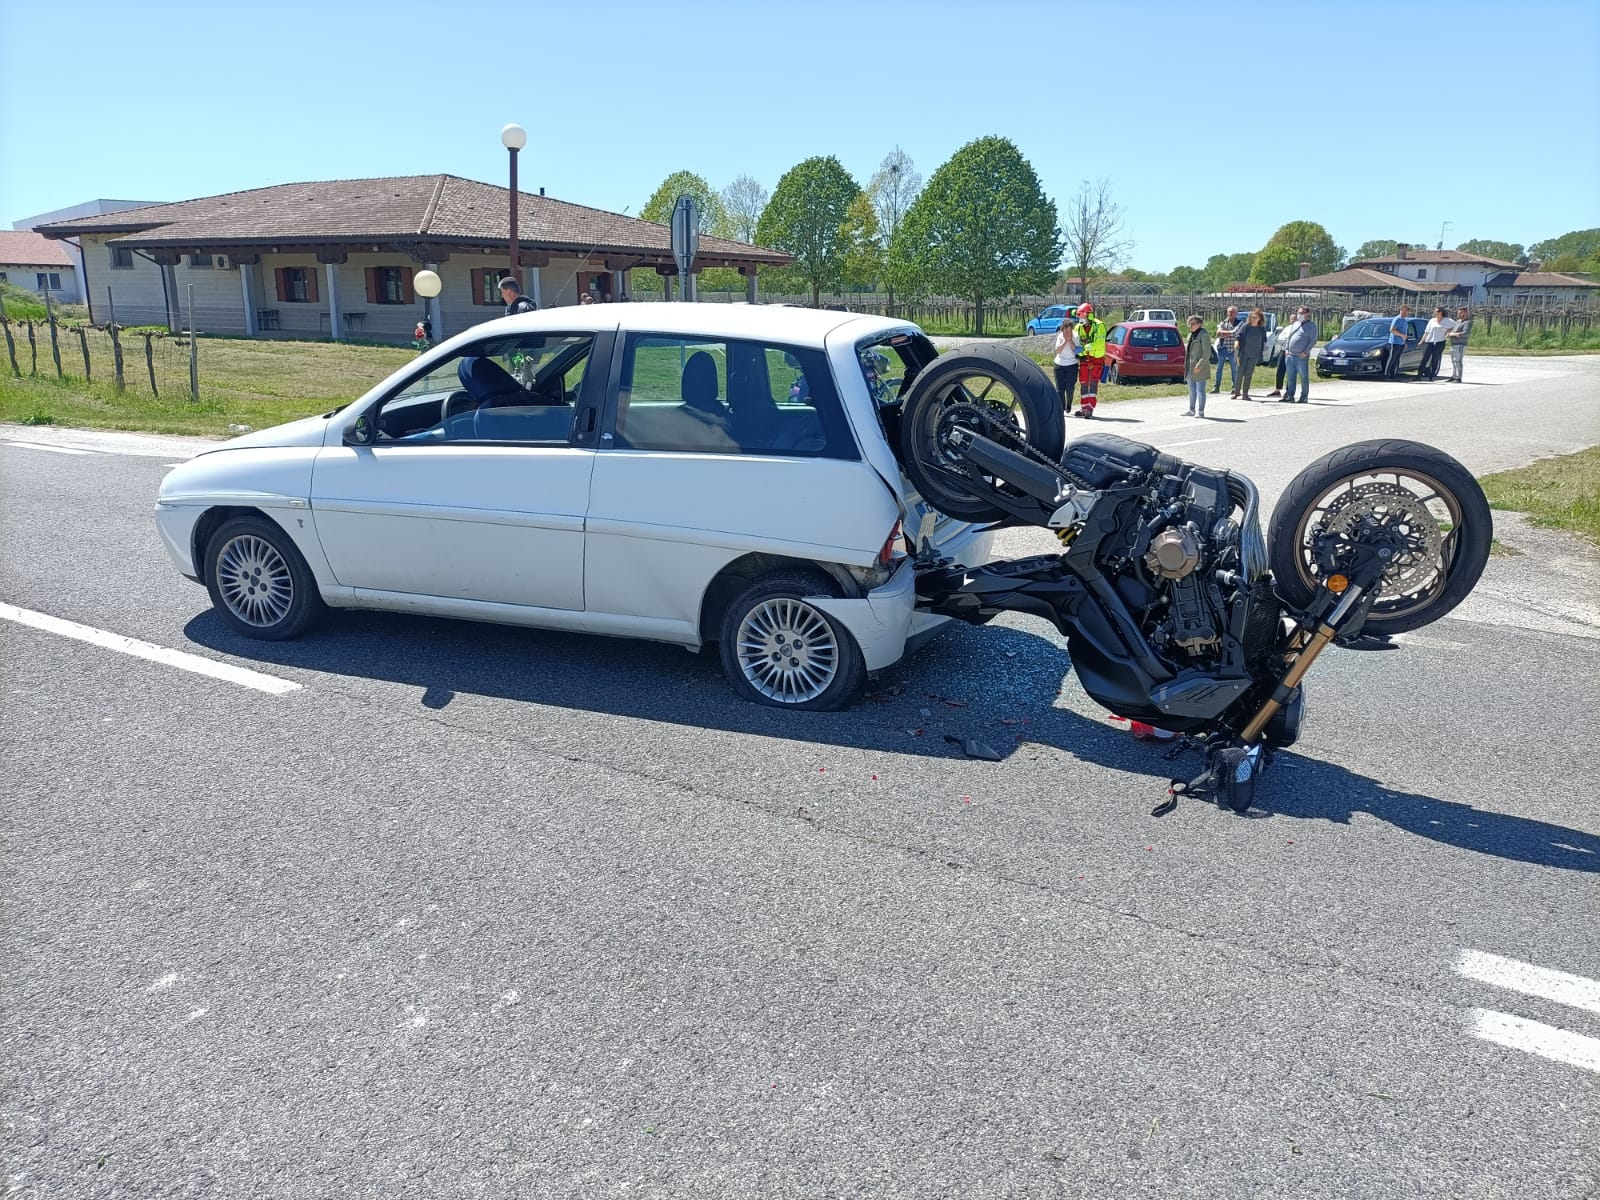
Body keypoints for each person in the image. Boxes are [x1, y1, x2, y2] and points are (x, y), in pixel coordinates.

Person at [1072, 303, 1108, 418]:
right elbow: (1076, 344)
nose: (1080, 319)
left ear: (1089, 316)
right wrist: (1081, 353)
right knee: (1083, 383)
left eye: (1081, 316)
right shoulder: (1078, 327)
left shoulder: (1099, 326)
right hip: (1084, 359)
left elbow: (1099, 343)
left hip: (1096, 358)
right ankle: (1083, 408)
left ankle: (1090, 408)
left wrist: (1084, 348)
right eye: (1079, 317)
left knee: (1093, 383)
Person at [1281, 305, 1318, 403]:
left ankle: (1304, 396)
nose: (1299, 315)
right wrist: (1287, 349)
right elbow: (1289, 337)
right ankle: (1290, 395)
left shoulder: (1311, 326)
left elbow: (1313, 340)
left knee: (1303, 377)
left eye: (1301, 313)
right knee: (1290, 376)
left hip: (1301, 356)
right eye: (1298, 313)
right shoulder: (1296, 324)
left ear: (1307, 314)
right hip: (1290, 355)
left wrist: (1305, 352)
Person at [1265, 311, 1300, 399]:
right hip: (1283, 351)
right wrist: (1286, 340)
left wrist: (1287, 340)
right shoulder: (1287, 328)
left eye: (1295, 319)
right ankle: (1277, 390)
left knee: (1290, 373)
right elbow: (1280, 339)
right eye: (1292, 319)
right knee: (1280, 371)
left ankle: (1289, 391)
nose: (1293, 320)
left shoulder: (1299, 329)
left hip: (1292, 353)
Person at [1235, 308, 1267, 400]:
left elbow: (1264, 340)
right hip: (1243, 353)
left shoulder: (1262, 329)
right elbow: (1238, 336)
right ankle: (1237, 392)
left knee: (1248, 374)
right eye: (1252, 317)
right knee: (1240, 372)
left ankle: (1245, 394)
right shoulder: (1245, 326)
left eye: (1255, 317)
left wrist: (1262, 350)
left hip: (1254, 354)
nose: (1253, 319)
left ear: (1260, 318)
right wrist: (1237, 342)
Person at [1184, 315, 1212, 417]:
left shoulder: (1203, 335)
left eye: (1193, 323)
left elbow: (1207, 353)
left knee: (1200, 390)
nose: (1190, 325)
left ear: (1199, 324)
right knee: (1191, 390)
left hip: (1200, 367)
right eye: (1189, 323)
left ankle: (1201, 411)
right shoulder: (1190, 335)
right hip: (1190, 366)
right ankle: (1191, 410)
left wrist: (1199, 365)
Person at [1051, 318, 1080, 415]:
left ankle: (1068, 405)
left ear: (1071, 329)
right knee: (1060, 389)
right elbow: (1058, 350)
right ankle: (1061, 408)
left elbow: (1077, 351)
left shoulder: (1076, 336)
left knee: (1069, 388)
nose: (1066, 332)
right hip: (1059, 365)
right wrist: (1065, 341)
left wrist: (1070, 340)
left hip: (1072, 365)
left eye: (1068, 330)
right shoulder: (1060, 337)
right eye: (1064, 330)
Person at [1419, 307, 1455, 381]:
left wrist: (1448, 331)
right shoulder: (1432, 321)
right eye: (1435, 311)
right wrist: (1422, 341)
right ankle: (1419, 375)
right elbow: (1427, 332)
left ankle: (1431, 376)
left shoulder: (1447, 320)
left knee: (1435, 359)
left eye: (1436, 311)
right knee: (1424, 358)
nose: (1435, 313)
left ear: (1441, 312)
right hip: (1429, 341)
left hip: (1440, 341)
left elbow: (1455, 325)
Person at [1212, 305, 1242, 395]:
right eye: (1229, 312)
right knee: (1219, 369)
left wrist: (1224, 333)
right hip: (1223, 348)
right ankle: (1216, 387)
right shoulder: (1224, 322)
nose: (1230, 313)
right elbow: (1218, 333)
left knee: (1234, 369)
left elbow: (1235, 332)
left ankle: (1235, 388)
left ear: (1236, 313)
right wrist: (1229, 333)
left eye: (1232, 312)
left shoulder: (1240, 323)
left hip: (1234, 349)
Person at [1444, 306, 1472, 382]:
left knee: (1458, 361)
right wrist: (1449, 333)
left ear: (1465, 313)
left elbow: (1465, 333)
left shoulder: (1467, 322)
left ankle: (1458, 377)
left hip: (1460, 344)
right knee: (1453, 361)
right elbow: (1452, 330)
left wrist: (1453, 334)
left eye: (1461, 313)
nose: (1459, 314)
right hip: (1453, 344)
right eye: (1458, 313)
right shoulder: (1458, 322)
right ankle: (1454, 376)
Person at [1384, 304, 1412, 380]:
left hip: (1401, 343)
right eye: (1403, 310)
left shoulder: (1404, 320)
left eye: (1406, 311)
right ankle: (1386, 375)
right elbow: (1392, 330)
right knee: (1392, 359)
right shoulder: (1397, 319)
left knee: (1397, 359)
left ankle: (1393, 375)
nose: (1405, 312)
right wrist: (1401, 335)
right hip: (1395, 342)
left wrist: (1404, 342)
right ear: (1400, 310)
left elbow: (1405, 332)